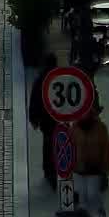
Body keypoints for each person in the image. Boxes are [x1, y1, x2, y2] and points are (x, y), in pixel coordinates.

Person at [72, 108, 109, 217]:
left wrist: (107, 167)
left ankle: (100, 212)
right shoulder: (74, 128)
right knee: (82, 196)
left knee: (93, 194)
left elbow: (106, 147)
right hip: (78, 168)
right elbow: (69, 147)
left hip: (95, 168)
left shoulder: (101, 128)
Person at [29, 54, 61, 187]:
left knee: (48, 143)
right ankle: (55, 168)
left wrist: (34, 118)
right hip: (57, 116)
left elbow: (35, 99)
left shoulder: (41, 78)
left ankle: (49, 170)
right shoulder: (58, 76)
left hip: (46, 117)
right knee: (57, 143)